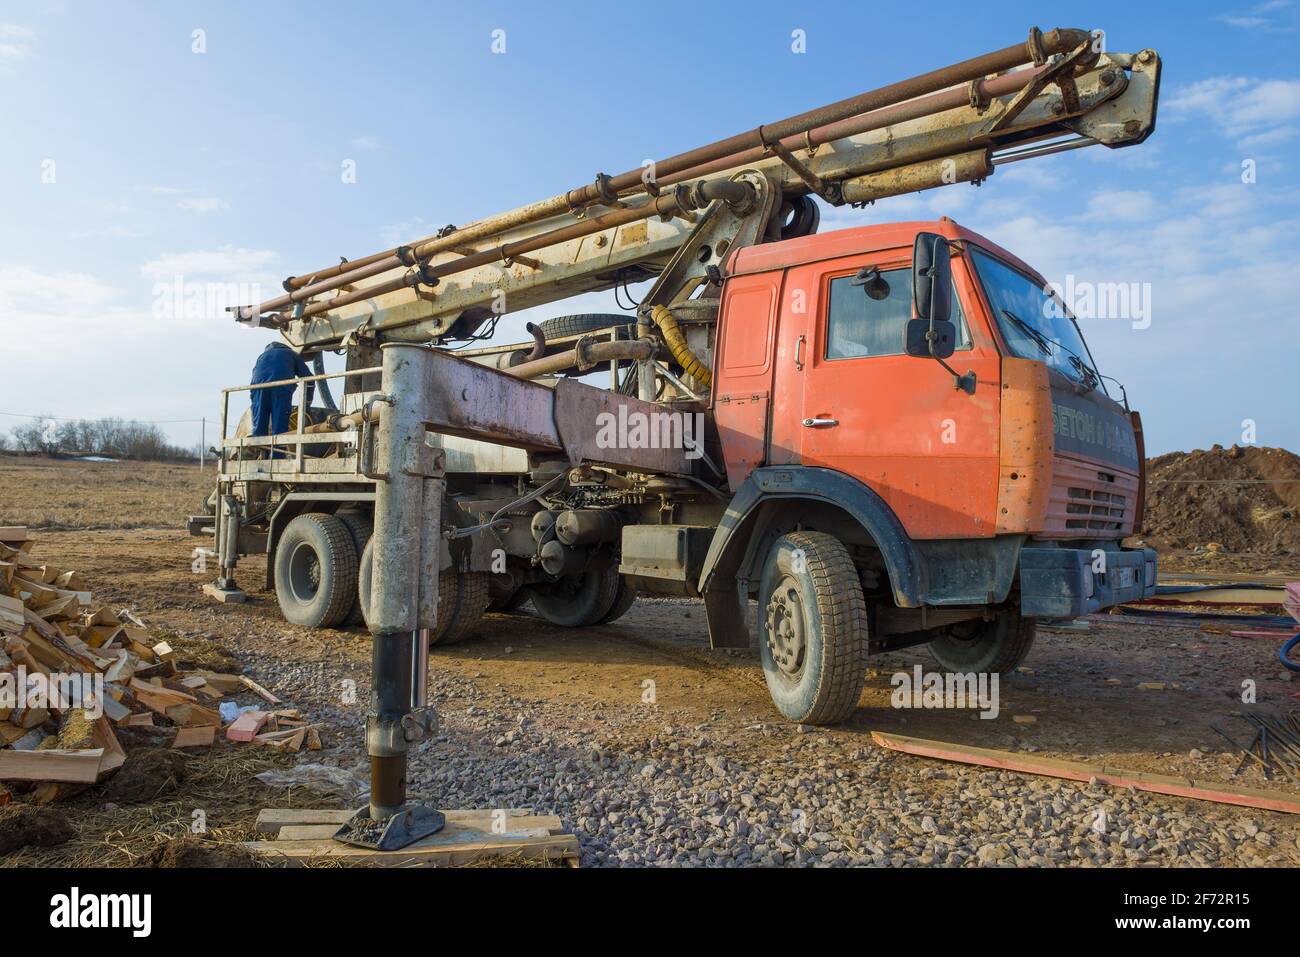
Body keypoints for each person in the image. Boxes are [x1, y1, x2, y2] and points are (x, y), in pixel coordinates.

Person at [250, 342, 314, 457]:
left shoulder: (262, 356)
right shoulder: (291, 354)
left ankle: (258, 458)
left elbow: (254, 376)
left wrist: (255, 401)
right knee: (280, 428)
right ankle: (277, 460)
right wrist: (306, 404)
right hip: (280, 389)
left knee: (259, 428)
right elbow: (309, 380)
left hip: (257, 389)